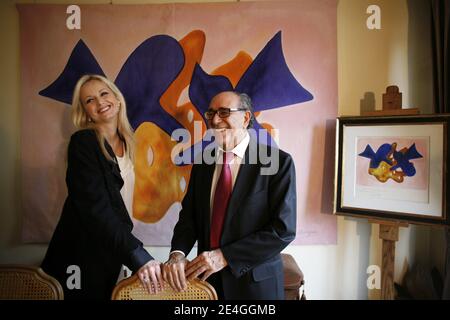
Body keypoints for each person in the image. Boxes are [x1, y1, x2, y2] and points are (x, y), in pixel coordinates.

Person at [162, 91, 297, 299]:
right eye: (211, 113)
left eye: (224, 112)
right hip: (207, 283)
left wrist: (224, 256)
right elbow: (189, 219)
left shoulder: (278, 163)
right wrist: (177, 254)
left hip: (255, 286)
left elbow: (282, 230)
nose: (215, 120)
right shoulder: (202, 164)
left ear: (245, 118)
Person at [41, 74, 163, 299]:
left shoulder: (129, 143)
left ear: (117, 99)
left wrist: (128, 250)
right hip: (82, 253)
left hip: (114, 249)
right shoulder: (83, 143)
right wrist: (137, 254)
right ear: (85, 111)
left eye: (103, 93)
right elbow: (96, 208)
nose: (99, 102)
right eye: (89, 100)